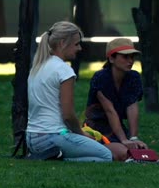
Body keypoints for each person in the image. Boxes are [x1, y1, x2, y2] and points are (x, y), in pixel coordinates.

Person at [26, 21, 112, 162]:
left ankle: (48, 155)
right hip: (52, 137)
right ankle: (54, 159)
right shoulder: (63, 70)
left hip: (31, 139)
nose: (79, 48)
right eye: (76, 44)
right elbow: (68, 115)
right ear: (62, 43)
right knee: (106, 156)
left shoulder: (37, 68)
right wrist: (82, 134)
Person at [84, 38, 149, 161]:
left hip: (117, 126)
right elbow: (110, 111)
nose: (130, 61)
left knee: (139, 150)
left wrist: (133, 137)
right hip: (96, 128)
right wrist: (124, 139)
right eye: (125, 57)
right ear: (111, 58)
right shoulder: (101, 77)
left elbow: (132, 107)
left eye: (132, 57)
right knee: (125, 153)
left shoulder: (133, 77)